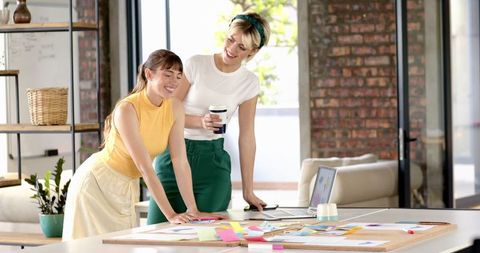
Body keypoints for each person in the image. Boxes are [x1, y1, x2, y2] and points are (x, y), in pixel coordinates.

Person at [63, 49, 222, 240]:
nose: (174, 82)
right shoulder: (127, 109)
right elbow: (145, 167)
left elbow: (179, 160)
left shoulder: (175, 107)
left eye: (179, 76)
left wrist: (193, 209)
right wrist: (171, 215)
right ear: (149, 74)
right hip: (95, 185)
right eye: (167, 74)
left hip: (125, 187)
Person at [147, 12, 271, 224]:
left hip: (212, 164)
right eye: (231, 39)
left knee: (208, 237)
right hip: (173, 157)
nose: (232, 49)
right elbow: (166, 113)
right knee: (157, 231)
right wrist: (199, 122)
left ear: (253, 51)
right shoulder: (196, 65)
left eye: (241, 47)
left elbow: (247, 137)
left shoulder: (249, 83)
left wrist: (248, 191)